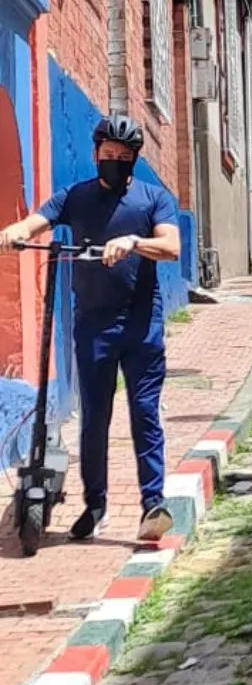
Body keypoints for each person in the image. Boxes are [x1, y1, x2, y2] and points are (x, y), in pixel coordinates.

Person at [0, 114, 181, 543]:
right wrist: (14, 231)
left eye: (123, 155)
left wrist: (135, 242)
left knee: (144, 412)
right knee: (94, 417)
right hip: (93, 325)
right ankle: (95, 503)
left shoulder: (153, 199)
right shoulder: (76, 196)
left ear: (134, 159)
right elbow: (37, 221)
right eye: (108, 153)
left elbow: (171, 246)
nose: (114, 160)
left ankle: (152, 504)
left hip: (141, 324)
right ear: (96, 153)